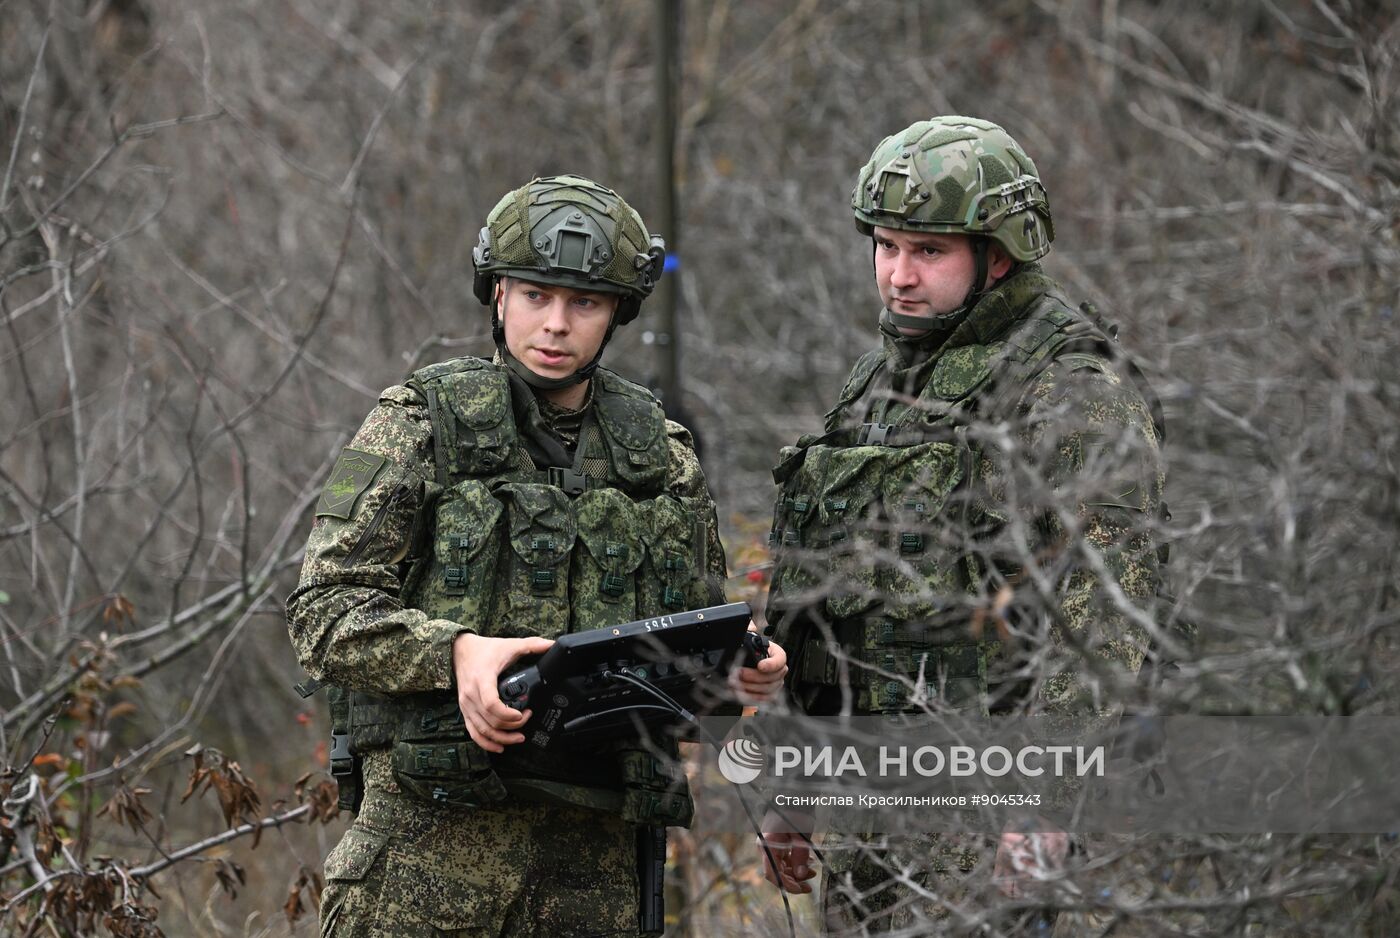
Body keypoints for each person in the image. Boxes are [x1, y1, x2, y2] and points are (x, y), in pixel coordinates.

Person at [287, 174, 787, 938]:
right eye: (535, 296)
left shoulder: (661, 458)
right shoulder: (417, 425)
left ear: (618, 310)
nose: (555, 325)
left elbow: (684, 655)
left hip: (597, 863)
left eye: (583, 303)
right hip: (430, 849)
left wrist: (738, 671)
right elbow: (322, 610)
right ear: (496, 295)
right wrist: (454, 653)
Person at [756, 116, 1166, 934]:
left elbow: (1108, 618)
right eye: (886, 246)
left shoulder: (1068, 390)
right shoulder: (878, 383)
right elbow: (829, 610)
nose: (899, 276)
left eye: (929, 251)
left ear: (999, 253)